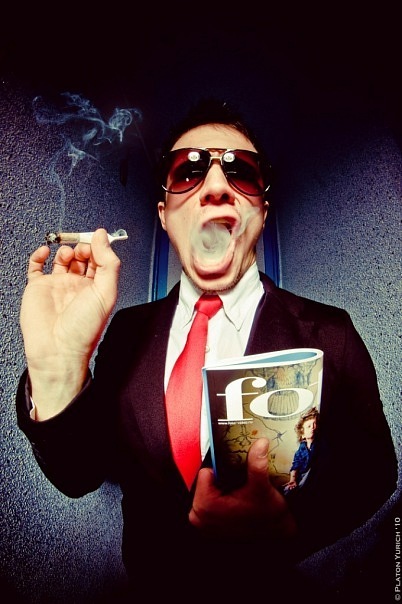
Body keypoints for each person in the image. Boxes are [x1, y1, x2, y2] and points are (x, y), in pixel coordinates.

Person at [16, 98, 397, 602]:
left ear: (262, 211)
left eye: (242, 172)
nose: (216, 185)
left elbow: (375, 472)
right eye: (187, 171)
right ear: (165, 215)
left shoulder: (331, 334)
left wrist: (292, 525)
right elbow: (79, 474)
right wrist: (59, 371)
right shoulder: (126, 332)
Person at [283, 408, 319, 495]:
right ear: (303, 434)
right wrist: (292, 479)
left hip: (313, 476)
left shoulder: (319, 444)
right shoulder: (301, 448)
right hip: (302, 475)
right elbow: (296, 464)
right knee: (287, 490)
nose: (313, 427)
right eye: (309, 426)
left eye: (315, 424)